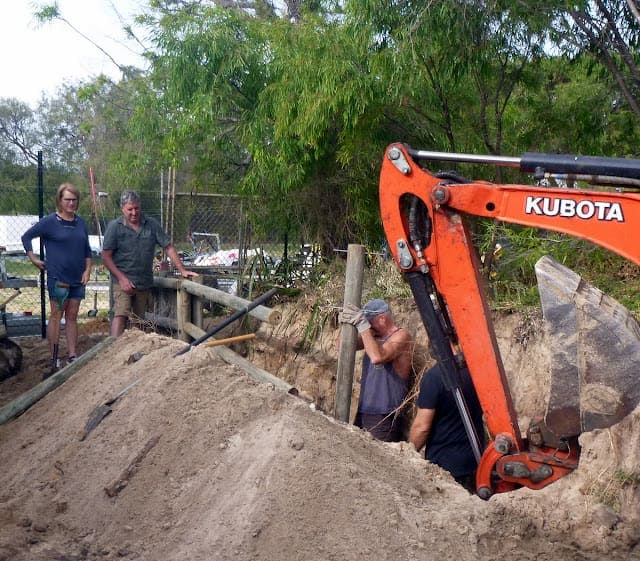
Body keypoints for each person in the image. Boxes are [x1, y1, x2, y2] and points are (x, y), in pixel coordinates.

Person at [101, 190, 198, 337]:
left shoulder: (151, 225)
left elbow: (168, 247)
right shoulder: (115, 227)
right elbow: (106, 256)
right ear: (122, 209)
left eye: (136, 208)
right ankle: (113, 348)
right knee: (121, 314)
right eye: (130, 209)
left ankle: (136, 351)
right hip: (122, 281)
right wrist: (121, 278)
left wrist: (182, 269)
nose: (134, 212)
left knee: (139, 319)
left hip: (144, 281)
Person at [22, 183, 92, 374]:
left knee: (72, 316)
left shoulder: (81, 223)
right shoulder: (50, 222)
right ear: (60, 200)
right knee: (57, 314)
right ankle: (54, 358)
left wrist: (87, 270)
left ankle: (72, 355)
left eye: (74, 199)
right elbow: (27, 237)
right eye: (67, 199)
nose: (71, 203)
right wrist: (33, 258)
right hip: (58, 277)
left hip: (78, 277)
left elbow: (87, 250)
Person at [339, 299, 414, 442]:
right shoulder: (373, 337)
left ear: (382, 319)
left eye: (369, 321)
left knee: (377, 461)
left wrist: (362, 324)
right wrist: (345, 325)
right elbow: (342, 346)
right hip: (365, 411)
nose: (368, 326)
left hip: (384, 415)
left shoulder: (401, 336)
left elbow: (377, 357)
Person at [409, 362, 485, 493]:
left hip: (445, 468)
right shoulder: (479, 371)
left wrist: (408, 452)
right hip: (476, 463)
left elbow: (422, 427)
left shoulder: (434, 377)